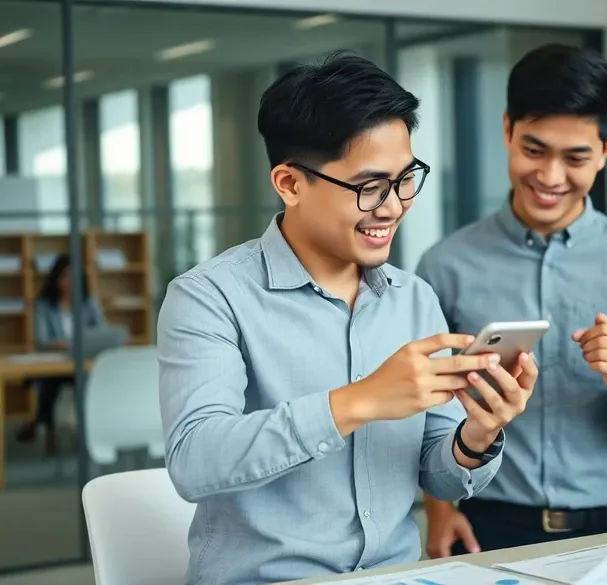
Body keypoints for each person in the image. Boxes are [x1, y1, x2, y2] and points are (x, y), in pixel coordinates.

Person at [158, 55, 536, 585]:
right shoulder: (209, 297)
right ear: (290, 184)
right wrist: (358, 400)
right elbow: (195, 461)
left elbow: (442, 478)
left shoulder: (414, 298)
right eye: (369, 187)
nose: (393, 207)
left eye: (406, 180)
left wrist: (478, 433)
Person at [416, 44, 607, 556]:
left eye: (576, 157)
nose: (551, 177)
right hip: (483, 526)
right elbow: (427, 414)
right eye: (534, 151)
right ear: (507, 131)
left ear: (606, 150)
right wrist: (439, 511)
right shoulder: (445, 264)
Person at [16, 253, 104, 454]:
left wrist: (83, 344)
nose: (69, 281)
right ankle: (49, 430)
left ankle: (40, 423)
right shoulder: (44, 305)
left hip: (83, 365)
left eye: (74, 276)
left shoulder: (88, 302)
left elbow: (101, 330)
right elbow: (43, 340)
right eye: (65, 275)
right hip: (57, 364)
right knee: (51, 381)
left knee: (82, 382)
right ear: (55, 278)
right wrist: (71, 344)